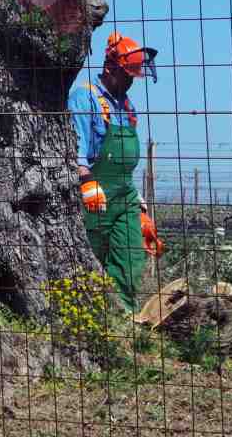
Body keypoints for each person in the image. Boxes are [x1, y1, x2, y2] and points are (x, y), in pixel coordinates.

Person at [68, 31, 162, 311]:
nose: (131, 81)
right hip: (93, 195)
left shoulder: (125, 105)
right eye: (127, 75)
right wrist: (85, 181)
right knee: (90, 260)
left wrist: (138, 203)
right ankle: (91, 319)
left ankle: (125, 321)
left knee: (131, 257)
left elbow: (124, 165)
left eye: (134, 75)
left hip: (123, 196)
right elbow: (75, 147)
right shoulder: (85, 98)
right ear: (110, 68)